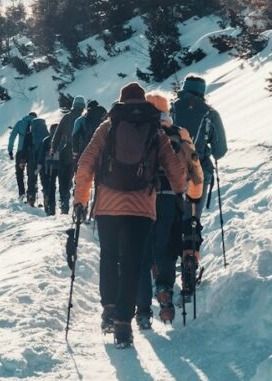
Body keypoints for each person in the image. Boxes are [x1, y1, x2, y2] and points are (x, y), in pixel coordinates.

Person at [72, 82, 189, 348]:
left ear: (121, 101)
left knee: (109, 256)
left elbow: (86, 163)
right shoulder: (154, 129)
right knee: (132, 263)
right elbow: (175, 167)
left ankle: (109, 311)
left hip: (108, 205)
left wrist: (80, 199)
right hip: (142, 208)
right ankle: (124, 324)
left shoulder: (109, 125)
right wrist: (180, 192)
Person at [133, 92, 205, 327]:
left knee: (142, 256)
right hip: (171, 200)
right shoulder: (180, 134)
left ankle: (143, 311)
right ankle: (164, 288)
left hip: (142, 200)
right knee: (167, 250)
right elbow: (195, 170)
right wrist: (192, 198)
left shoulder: (137, 132)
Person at [171, 75, 227, 205]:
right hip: (198, 174)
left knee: (170, 219)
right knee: (191, 221)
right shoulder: (210, 113)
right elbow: (220, 151)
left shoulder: (171, 109)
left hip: (169, 172)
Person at [45, 96, 87, 215]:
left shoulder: (67, 117)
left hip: (66, 153)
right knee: (79, 179)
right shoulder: (84, 118)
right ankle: (79, 204)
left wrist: (53, 149)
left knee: (64, 179)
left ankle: (64, 202)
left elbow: (57, 135)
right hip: (81, 153)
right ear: (83, 106)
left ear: (73, 105)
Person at [7, 111, 37, 200]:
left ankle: (21, 193)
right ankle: (31, 194)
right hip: (33, 153)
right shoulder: (37, 123)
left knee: (19, 173)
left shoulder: (20, 123)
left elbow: (12, 136)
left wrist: (10, 150)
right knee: (31, 173)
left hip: (21, 152)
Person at [25, 115, 50, 207]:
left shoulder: (29, 135)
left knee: (32, 179)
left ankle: (31, 198)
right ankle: (47, 197)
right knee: (45, 180)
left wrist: (23, 159)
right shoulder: (47, 135)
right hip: (44, 161)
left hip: (32, 160)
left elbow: (24, 148)